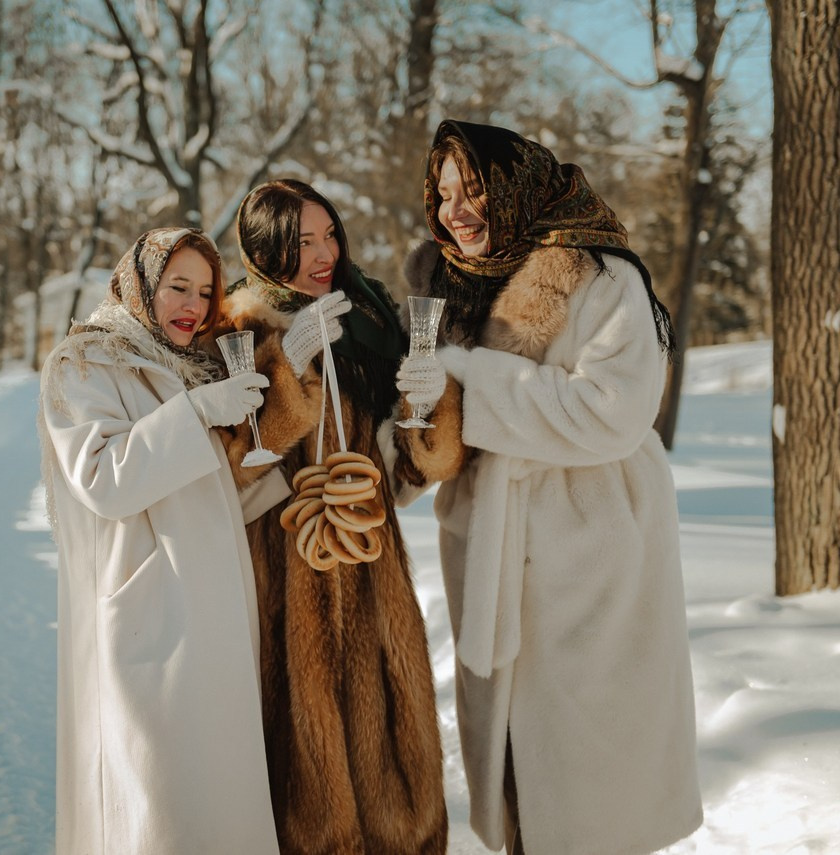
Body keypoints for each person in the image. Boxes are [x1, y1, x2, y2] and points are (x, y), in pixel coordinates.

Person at [402, 119, 703, 854]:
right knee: (518, 785)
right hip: (492, 553)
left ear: (515, 187)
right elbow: (431, 421)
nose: (456, 210)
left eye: (473, 190)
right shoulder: (449, 289)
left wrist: (470, 382)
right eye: (443, 195)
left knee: (590, 791)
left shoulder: (602, 276)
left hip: (589, 559)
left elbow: (614, 412)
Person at [213, 179, 460, 854]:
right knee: (295, 775)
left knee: (391, 770)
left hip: (370, 565)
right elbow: (223, 473)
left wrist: (428, 408)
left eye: (329, 235)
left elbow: (405, 471)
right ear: (267, 248)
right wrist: (283, 367)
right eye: (302, 241)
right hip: (279, 573)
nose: (323, 254)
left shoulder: (371, 320)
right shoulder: (234, 328)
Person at [39, 227, 281, 854]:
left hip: (209, 623)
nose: (193, 306)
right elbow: (104, 480)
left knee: (216, 801)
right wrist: (199, 414)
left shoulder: (185, 370)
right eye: (178, 286)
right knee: (157, 808)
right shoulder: (84, 363)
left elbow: (204, 498)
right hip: (149, 625)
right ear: (140, 284)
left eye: (205, 291)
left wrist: (285, 469)